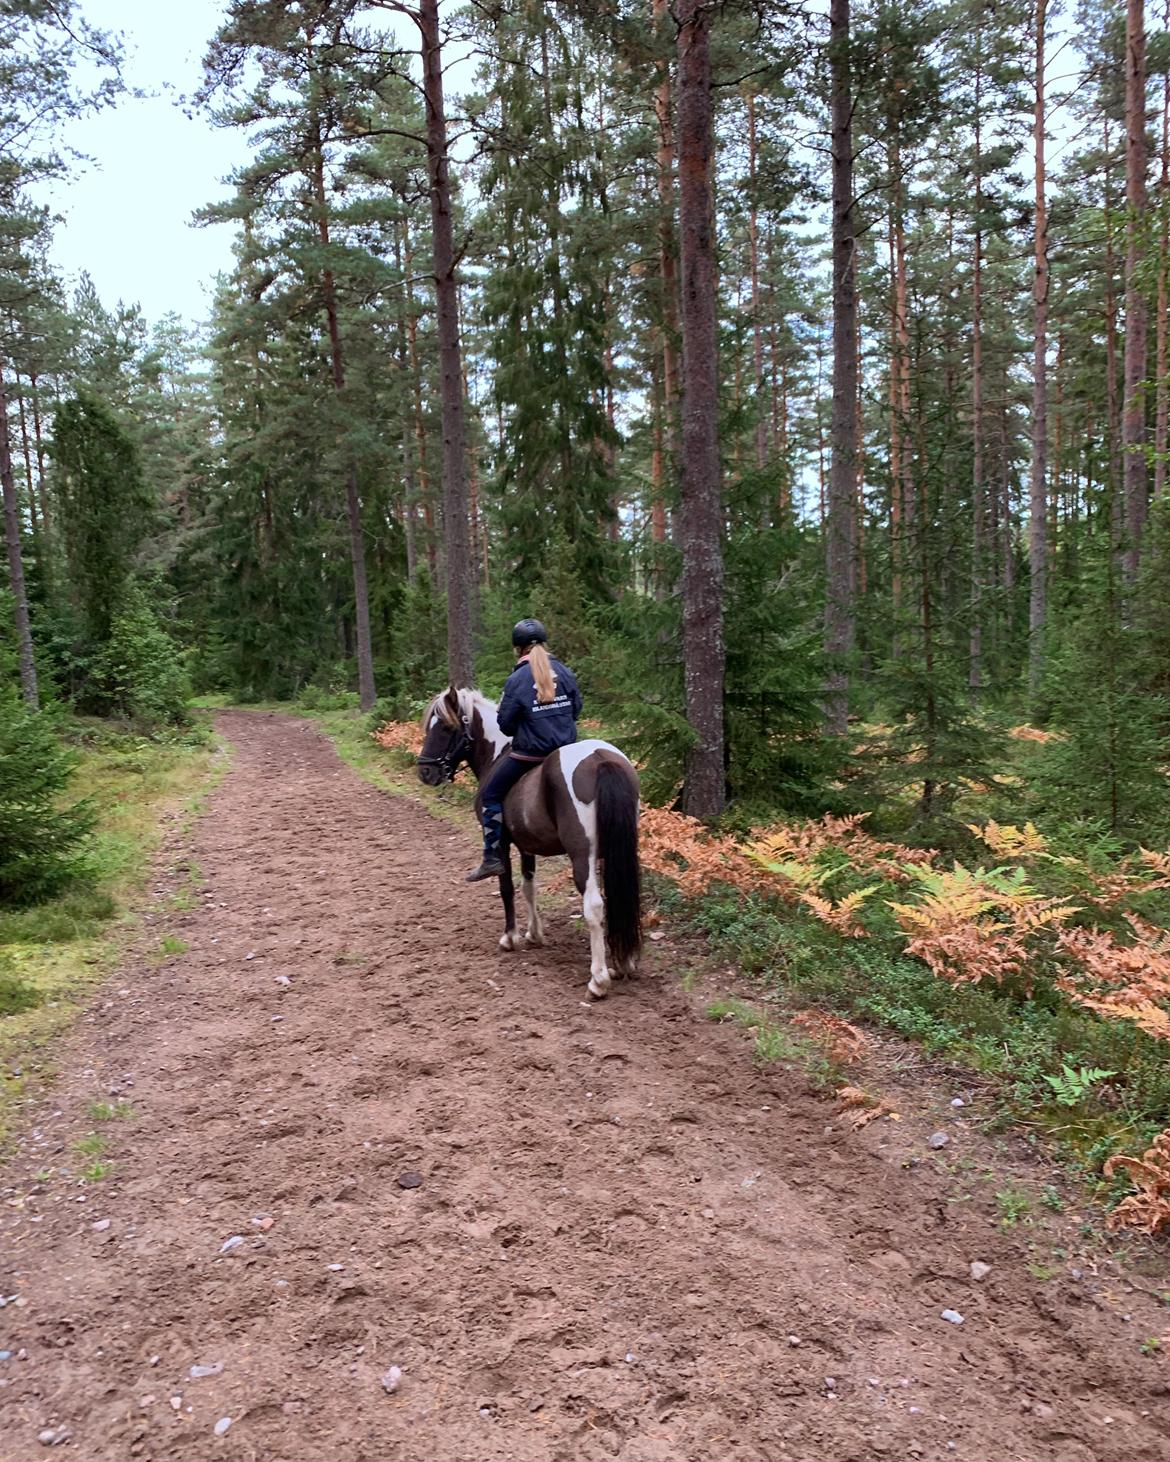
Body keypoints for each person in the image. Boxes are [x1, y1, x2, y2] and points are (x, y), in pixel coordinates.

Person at [466, 619, 582, 882]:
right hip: (566, 752)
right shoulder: (564, 672)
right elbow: (576, 709)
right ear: (544, 643)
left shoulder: (516, 679)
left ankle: (492, 857)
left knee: (491, 795)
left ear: (517, 649)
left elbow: (505, 725)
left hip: (530, 755)